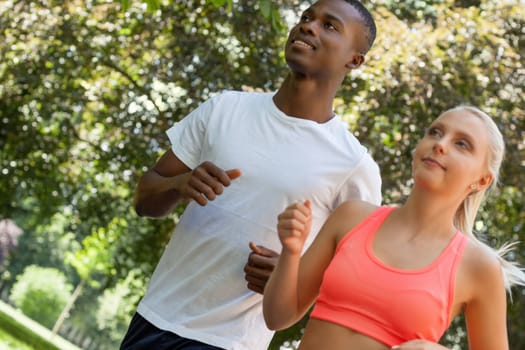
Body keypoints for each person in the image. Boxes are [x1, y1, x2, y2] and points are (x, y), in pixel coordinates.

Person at [120, 1, 382, 349]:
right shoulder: (224, 108)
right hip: (154, 319)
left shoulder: (354, 167)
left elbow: (357, 284)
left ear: (354, 59)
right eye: (306, 18)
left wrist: (294, 276)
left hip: (232, 342)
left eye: (329, 26)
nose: (308, 27)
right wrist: (178, 185)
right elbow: (144, 199)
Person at [263, 106, 525, 350]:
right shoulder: (351, 216)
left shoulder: (479, 267)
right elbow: (277, 317)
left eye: (462, 144)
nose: (440, 145)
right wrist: (291, 251)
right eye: (435, 132)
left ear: (482, 180)